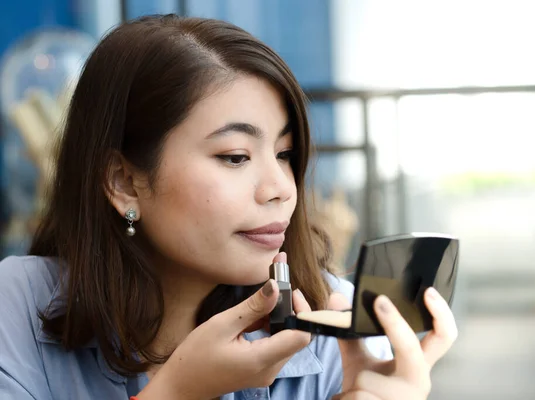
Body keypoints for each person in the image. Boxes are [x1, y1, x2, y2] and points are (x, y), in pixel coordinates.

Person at [0, 14, 457, 400]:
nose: (280, 188)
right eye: (235, 157)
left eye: (284, 155)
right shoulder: (16, 304)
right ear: (123, 182)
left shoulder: (329, 328)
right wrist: (175, 392)